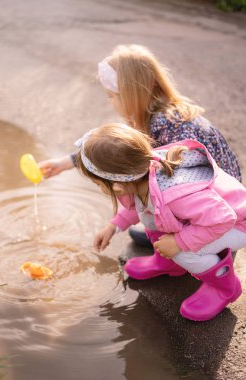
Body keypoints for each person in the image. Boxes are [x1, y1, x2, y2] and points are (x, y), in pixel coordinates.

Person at [39, 44, 242, 247]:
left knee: (146, 189)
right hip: (198, 195)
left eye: (112, 96)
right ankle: (166, 225)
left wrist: (176, 237)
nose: (110, 102)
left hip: (214, 206)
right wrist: (67, 162)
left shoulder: (169, 126)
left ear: (132, 94)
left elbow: (181, 190)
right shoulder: (153, 115)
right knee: (144, 188)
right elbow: (114, 152)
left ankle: (186, 236)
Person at [74, 123, 246, 321]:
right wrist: (113, 226)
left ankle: (224, 288)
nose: (98, 188)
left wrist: (179, 243)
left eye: (98, 184)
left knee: (184, 252)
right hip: (210, 217)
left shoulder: (176, 194)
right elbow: (138, 205)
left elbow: (222, 220)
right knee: (151, 217)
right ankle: (169, 263)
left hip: (237, 223)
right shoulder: (141, 173)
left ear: (118, 185)